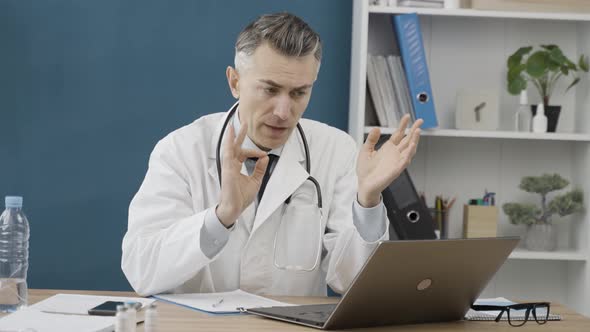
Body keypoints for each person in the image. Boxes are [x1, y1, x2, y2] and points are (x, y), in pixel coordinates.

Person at [121, 12, 422, 297]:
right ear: (235, 82)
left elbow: (354, 282)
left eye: (298, 93)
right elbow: (141, 269)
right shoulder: (181, 150)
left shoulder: (336, 149)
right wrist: (221, 217)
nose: (283, 112)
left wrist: (367, 202)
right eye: (269, 90)